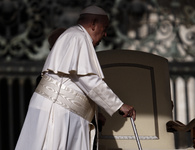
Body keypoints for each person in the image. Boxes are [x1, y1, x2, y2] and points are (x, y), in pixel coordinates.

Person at [15, 5, 136, 150]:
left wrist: (95, 112)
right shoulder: (77, 37)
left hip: (67, 112)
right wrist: (119, 105)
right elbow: (88, 80)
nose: (105, 34)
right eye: (104, 28)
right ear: (93, 24)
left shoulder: (76, 36)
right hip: (58, 112)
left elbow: (75, 82)